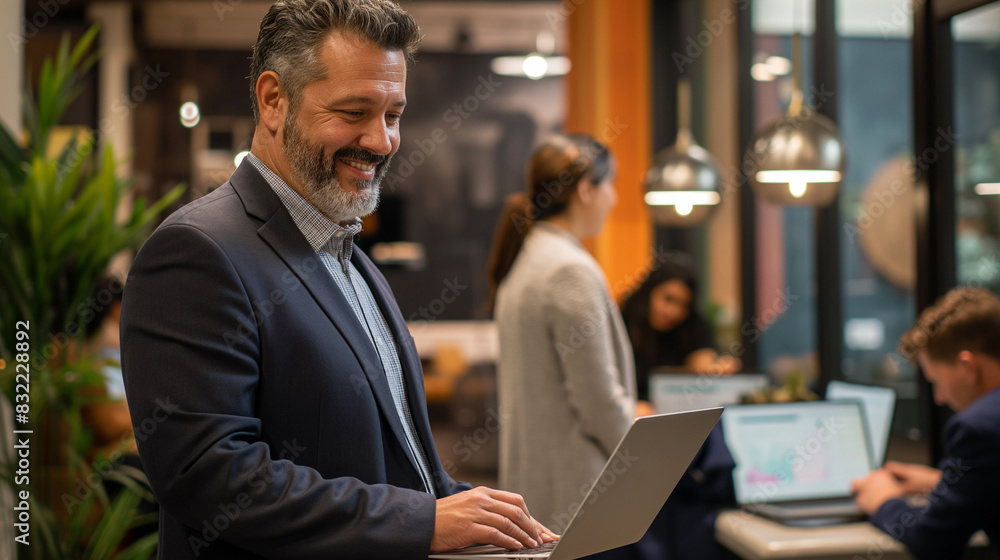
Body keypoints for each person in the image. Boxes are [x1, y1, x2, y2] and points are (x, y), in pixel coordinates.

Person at [119, 2, 554, 558]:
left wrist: (484, 518)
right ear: (273, 100)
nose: (382, 141)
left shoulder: (350, 257)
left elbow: (390, 459)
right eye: (354, 112)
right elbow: (210, 476)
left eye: (393, 115)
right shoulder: (196, 251)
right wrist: (425, 520)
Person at [486, 134, 640, 540]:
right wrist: (642, 449)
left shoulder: (529, 257)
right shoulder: (568, 270)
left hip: (542, 487)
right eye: (611, 186)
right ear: (587, 190)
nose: (615, 199)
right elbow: (598, 401)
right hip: (581, 493)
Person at [851, 287, 1000, 560]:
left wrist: (883, 499)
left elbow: (932, 539)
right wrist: (941, 483)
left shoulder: (978, 426)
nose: (939, 398)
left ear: (968, 367)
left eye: (937, 382)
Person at [620, 259, 740, 401]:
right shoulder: (623, 320)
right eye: (668, 299)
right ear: (649, 292)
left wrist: (711, 368)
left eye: (683, 305)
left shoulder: (693, 323)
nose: (673, 312)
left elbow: (703, 360)